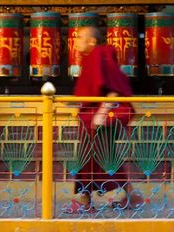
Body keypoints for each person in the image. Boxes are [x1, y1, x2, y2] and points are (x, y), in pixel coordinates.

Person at [66, 26, 142, 213]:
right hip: (90, 119)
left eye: (80, 37)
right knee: (96, 157)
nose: (76, 41)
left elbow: (114, 88)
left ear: (92, 41)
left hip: (98, 119)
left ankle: (88, 199)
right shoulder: (93, 58)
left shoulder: (101, 55)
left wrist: (102, 112)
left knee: (99, 157)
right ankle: (126, 196)